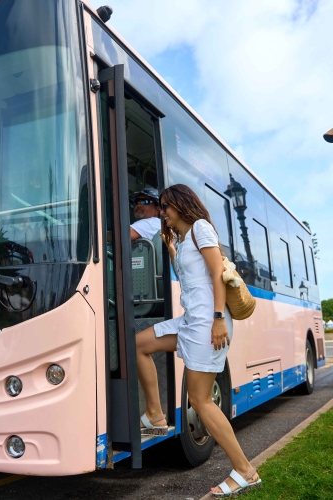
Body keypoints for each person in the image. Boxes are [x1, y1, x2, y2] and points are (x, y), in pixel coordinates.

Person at [136, 184, 261, 497]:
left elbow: (218, 273)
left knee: (202, 401)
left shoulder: (201, 228)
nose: (161, 212)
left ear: (181, 204)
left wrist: (219, 319)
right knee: (139, 344)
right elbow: (192, 275)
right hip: (191, 322)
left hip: (207, 324)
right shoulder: (182, 238)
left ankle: (245, 470)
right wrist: (170, 246)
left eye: (165, 206)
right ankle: (154, 414)